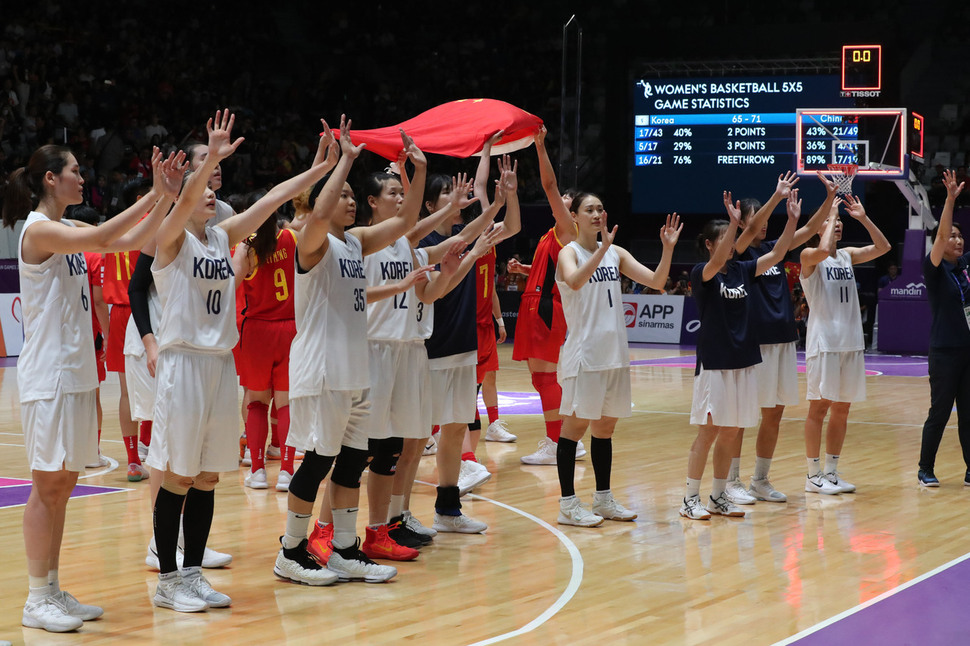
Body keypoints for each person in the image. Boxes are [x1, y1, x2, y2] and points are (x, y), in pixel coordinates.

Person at [148, 110, 336, 611]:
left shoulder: (220, 236)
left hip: (218, 366)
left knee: (208, 477)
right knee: (179, 477)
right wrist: (208, 155)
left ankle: (191, 574)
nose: (210, 191)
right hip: (183, 365)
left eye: (214, 186)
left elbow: (272, 199)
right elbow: (185, 198)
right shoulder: (169, 239)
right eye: (200, 186)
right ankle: (167, 580)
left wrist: (318, 170)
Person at [5, 143, 177, 633]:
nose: (84, 179)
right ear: (50, 180)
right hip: (49, 376)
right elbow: (106, 232)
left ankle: (52, 588)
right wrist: (152, 194)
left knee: (64, 483)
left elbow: (127, 242)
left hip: (77, 373)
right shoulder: (40, 230)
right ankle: (36, 598)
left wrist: (162, 198)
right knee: (45, 486)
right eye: (76, 172)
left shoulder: (72, 229)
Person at [555, 195, 681, 526]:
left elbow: (657, 281)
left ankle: (602, 499)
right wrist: (600, 250)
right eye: (590, 210)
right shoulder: (569, 252)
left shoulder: (616, 253)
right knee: (575, 427)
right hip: (585, 354)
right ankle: (568, 505)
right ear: (574, 217)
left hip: (614, 354)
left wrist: (667, 249)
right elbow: (574, 281)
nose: (597, 214)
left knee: (606, 427)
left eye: (600, 209)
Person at [680, 191, 799, 520]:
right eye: (724, 238)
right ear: (709, 244)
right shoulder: (703, 272)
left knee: (731, 430)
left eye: (732, 237)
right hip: (715, 362)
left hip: (744, 362)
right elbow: (718, 261)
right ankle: (690, 497)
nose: (730, 243)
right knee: (709, 431)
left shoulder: (744, 270)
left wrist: (790, 220)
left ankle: (717, 496)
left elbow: (777, 253)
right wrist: (734, 223)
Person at [417, 157, 520, 532]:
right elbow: (433, 291)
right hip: (429, 348)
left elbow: (482, 226)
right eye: (446, 194)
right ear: (429, 206)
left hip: (463, 346)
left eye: (457, 193)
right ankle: (399, 515)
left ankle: (448, 510)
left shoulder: (462, 237)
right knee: (415, 437)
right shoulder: (422, 243)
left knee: (456, 428)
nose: (456, 199)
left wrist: (498, 201)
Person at [725, 172, 837, 504]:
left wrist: (829, 199)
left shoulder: (776, 249)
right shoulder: (739, 253)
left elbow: (807, 229)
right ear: (741, 222)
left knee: (773, 413)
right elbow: (744, 237)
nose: (763, 224)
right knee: (744, 414)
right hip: (754, 343)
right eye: (754, 219)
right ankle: (730, 480)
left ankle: (760, 479)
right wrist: (774, 197)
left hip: (783, 341)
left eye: (764, 219)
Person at [800, 194, 891, 495]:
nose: (837, 224)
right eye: (830, 221)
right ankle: (813, 476)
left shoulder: (847, 255)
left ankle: (831, 472)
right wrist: (831, 209)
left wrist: (862, 218)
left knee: (842, 409)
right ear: (816, 227)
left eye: (839, 221)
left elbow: (884, 247)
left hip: (850, 342)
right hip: (824, 342)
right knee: (819, 408)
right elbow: (824, 247)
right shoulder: (809, 256)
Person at [512, 125, 586, 466]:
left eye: (568, 200)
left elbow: (550, 185)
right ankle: (566, 437)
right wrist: (525, 270)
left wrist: (540, 146)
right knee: (543, 377)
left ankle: (557, 443)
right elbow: (553, 273)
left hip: (545, 309)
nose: (562, 198)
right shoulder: (553, 234)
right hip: (536, 301)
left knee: (545, 377)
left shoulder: (567, 227)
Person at [918, 169, 970, 486]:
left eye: (961, 235)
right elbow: (940, 235)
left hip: (968, 352)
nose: (958, 239)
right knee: (939, 413)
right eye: (953, 235)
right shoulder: (934, 269)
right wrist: (950, 199)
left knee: (969, 414)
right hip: (944, 352)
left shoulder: (965, 268)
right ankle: (925, 468)